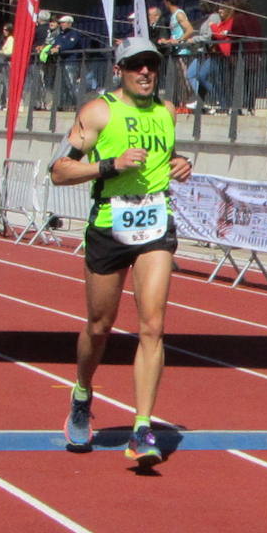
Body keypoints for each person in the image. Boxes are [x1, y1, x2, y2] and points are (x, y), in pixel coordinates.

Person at [51, 38, 194, 466]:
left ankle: (143, 427)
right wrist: (110, 165)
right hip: (109, 225)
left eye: (152, 65)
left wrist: (182, 162)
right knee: (100, 326)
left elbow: (163, 160)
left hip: (155, 224)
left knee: (153, 325)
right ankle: (81, 393)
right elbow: (59, 171)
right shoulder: (98, 112)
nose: (146, 72)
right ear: (121, 70)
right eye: (137, 66)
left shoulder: (168, 112)